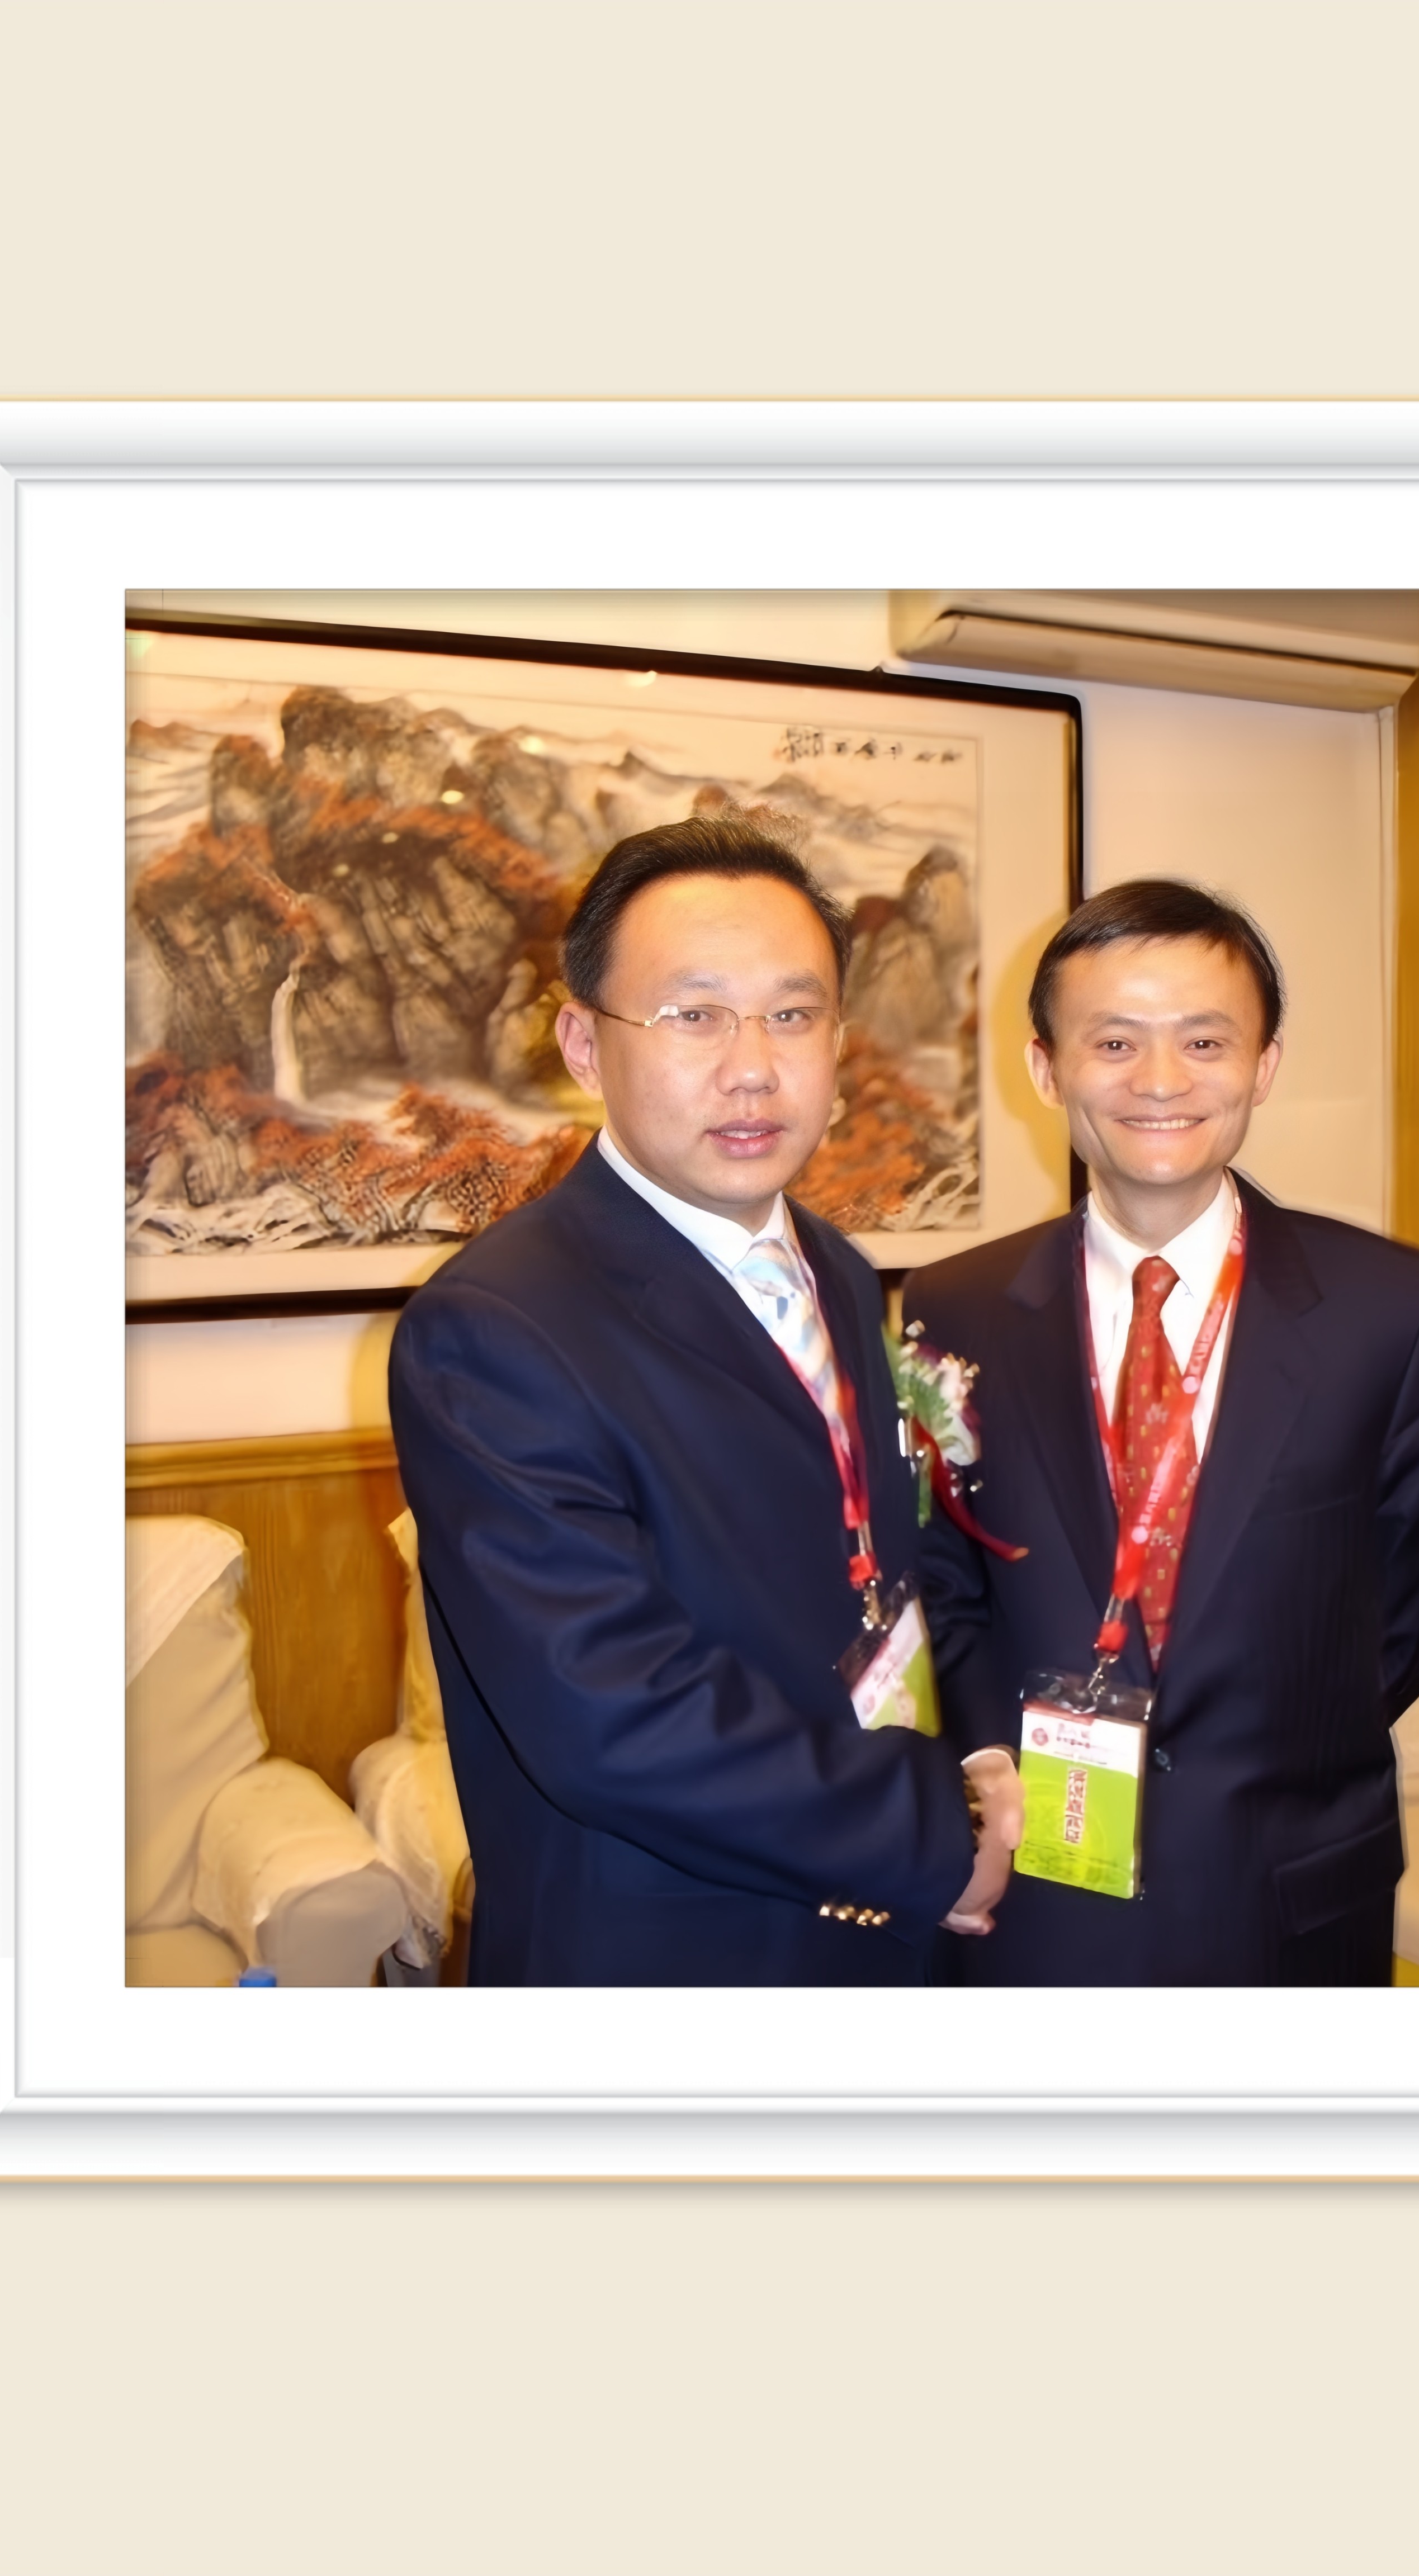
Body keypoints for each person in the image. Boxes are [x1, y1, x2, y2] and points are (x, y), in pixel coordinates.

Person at [389, 816, 1019, 1985]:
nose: (753, 1067)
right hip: (671, 1956)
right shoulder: (496, 1327)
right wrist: (937, 1830)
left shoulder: (837, 1267)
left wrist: (977, 1762)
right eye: (693, 1015)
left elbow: (869, 1569)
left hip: (878, 1932)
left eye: (793, 1014)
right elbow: (612, 1715)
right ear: (584, 1044)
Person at [906, 879, 1419, 1985]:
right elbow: (943, 1577)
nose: (1161, 1081)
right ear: (1046, 1068)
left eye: (1205, 1042)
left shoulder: (1394, 1310)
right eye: (1114, 1042)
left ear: (1264, 1064)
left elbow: (1415, 1612)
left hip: (1286, 1890)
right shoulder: (955, 1306)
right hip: (1040, 1873)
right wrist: (988, 1761)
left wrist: (1265, 1758)